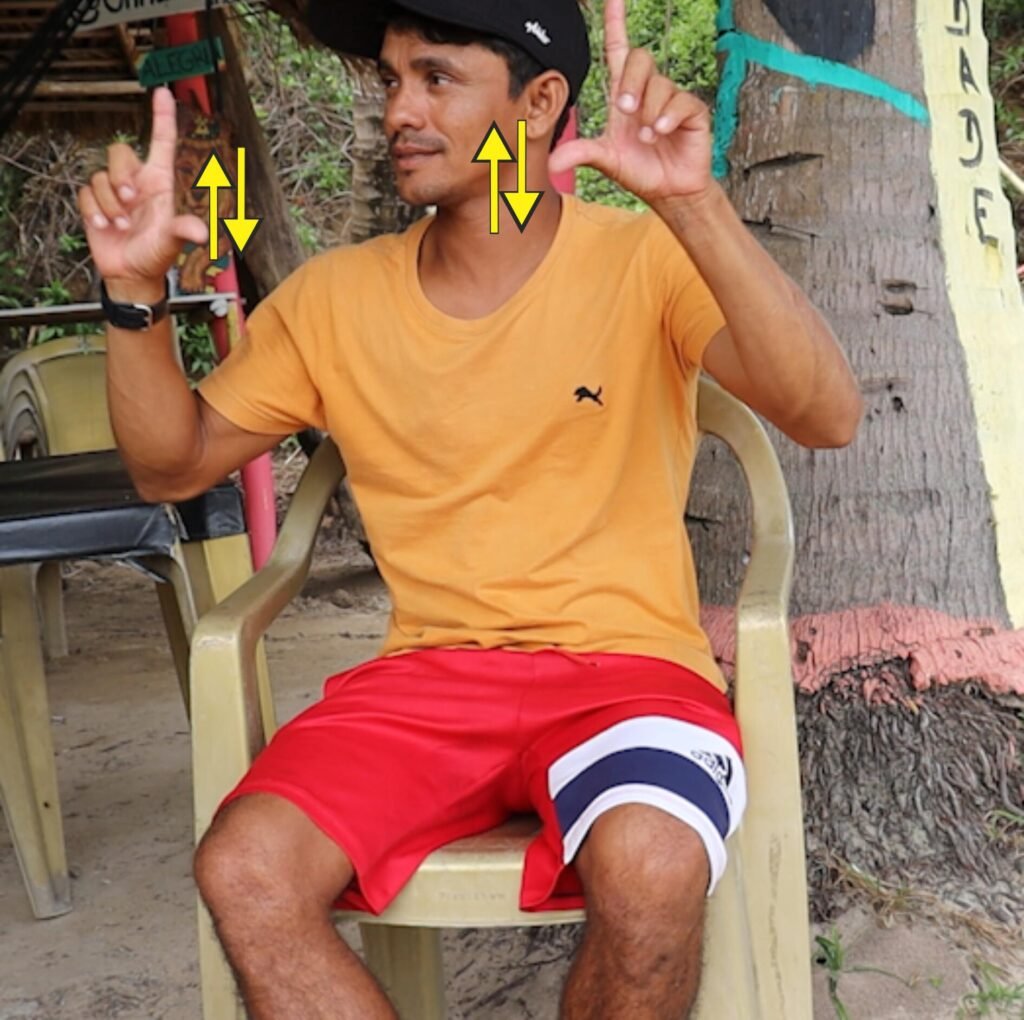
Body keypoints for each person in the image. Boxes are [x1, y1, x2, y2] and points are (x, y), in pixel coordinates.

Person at [77, 0, 862, 1016]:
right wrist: (133, 300)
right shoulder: (332, 300)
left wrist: (694, 205)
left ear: (538, 103)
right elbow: (170, 467)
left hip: (626, 675)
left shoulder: (644, 261)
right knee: (246, 869)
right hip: (425, 685)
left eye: (437, 77)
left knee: (654, 861)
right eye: (392, 78)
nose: (399, 109)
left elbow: (827, 415)